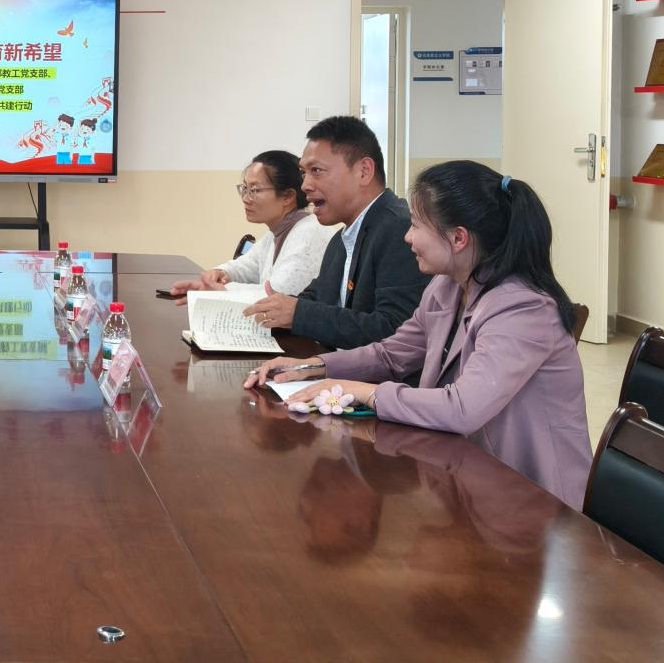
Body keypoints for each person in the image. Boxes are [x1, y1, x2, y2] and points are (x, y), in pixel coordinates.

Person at [247, 161, 592, 507]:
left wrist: (363, 392)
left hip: (535, 503)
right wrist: (313, 367)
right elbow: (391, 354)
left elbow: (463, 408)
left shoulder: (522, 308)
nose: (407, 237)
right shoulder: (447, 287)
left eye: (415, 225)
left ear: (458, 238)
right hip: (469, 480)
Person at [244, 115, 429, 346]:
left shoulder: (399, 230)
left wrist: (298, 313)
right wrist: (275, 308)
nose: (305, 185)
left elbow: (395, 331)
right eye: (303, 173)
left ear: (364, 171)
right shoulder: (341, 240)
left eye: (317, 171)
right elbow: (314, 299)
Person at [173, 149, 332, 300]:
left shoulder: (309, 234)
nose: (245, 198)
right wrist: (221, 273)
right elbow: (247, 266)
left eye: (255, 190)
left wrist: (221, 290)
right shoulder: (277, 232)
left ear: (288, 196)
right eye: (245, 188)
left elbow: (277, 296)